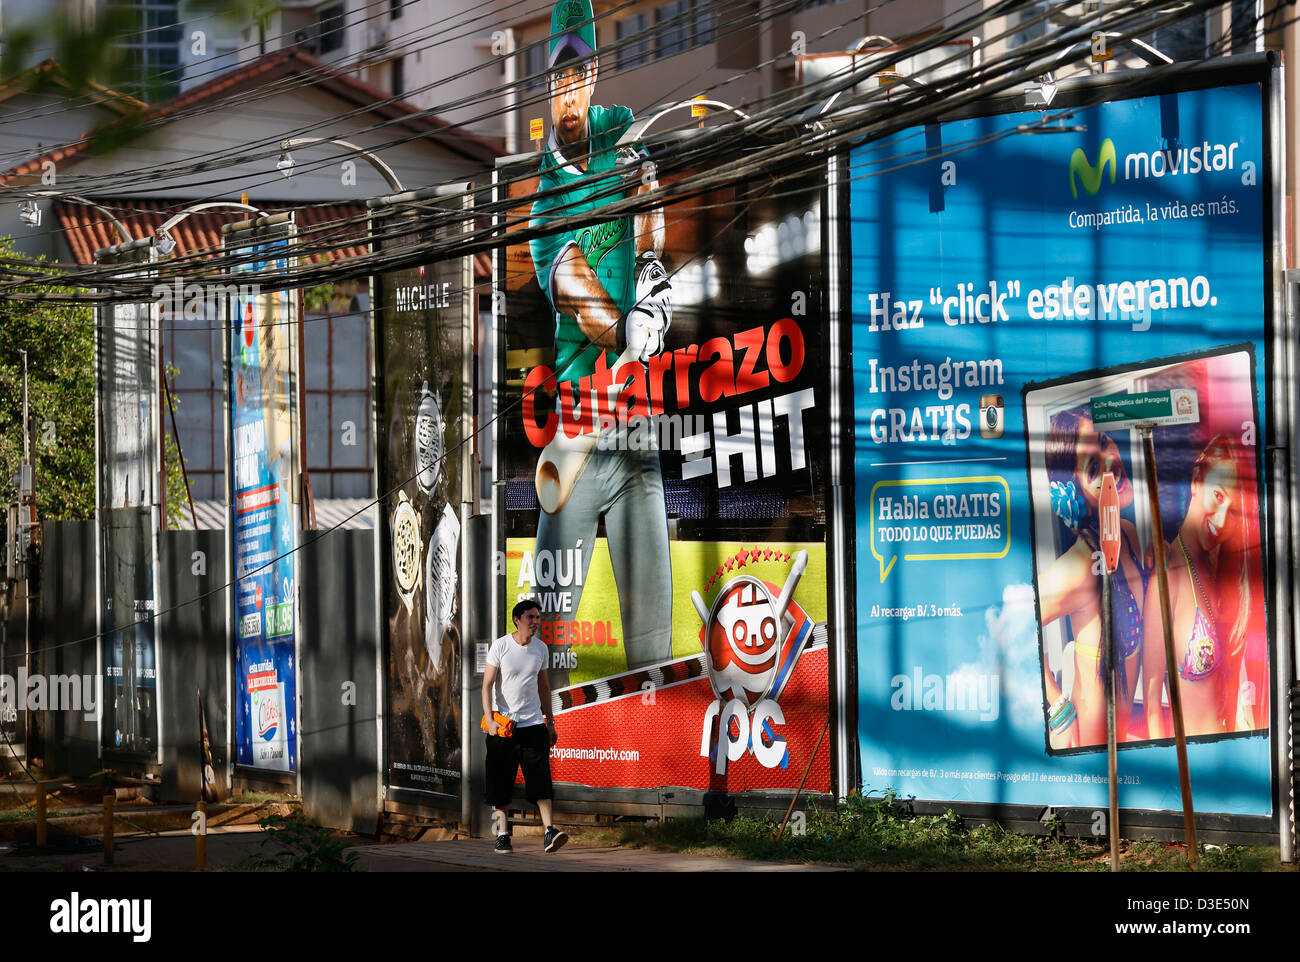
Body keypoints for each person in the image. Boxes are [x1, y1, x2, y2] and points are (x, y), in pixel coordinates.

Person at [526, 0, 674, 687]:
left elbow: (651, 216)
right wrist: (626, 328)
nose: (567, 92)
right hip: (575, 439)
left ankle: (654, 785)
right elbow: (572, 283)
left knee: (655, 643)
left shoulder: (630, 154)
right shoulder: (540, 206)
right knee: (549, 645)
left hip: (637, 435)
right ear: (543, 89)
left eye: (577, 76)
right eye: (555, 81)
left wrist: (652, 279)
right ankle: (545, 767)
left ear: (594, 75)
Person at [1039, 407, 1150, 748]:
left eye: (1104, 442)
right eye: (1092, 468)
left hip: (1120, 744)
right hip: (1087, 749)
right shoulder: (1080, 566)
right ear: (1077, 495)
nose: (1110, 462)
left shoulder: (1127, 535)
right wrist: (1058, 711)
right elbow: (1012, 623)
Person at [1142, 435, 1254, 738]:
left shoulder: (1219, 569)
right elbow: (1152, 704)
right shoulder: (1167, 578)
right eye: (1217, 496)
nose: (1220, 521)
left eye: (1232, 512)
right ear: (1195, 480)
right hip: (1195, 769)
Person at [482, 598, 567, 854]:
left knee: (541, 778)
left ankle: (550, 831)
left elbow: (544, 687)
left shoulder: (541, 649)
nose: (535, 622)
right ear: (517, 620)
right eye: (530, 617)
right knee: (499, 784)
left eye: (537, 618)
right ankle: (503, 835)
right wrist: (491, 720)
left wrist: (549, 722)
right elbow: (487, 685)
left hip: (533, 725)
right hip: (504, 726)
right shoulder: (500, 647)